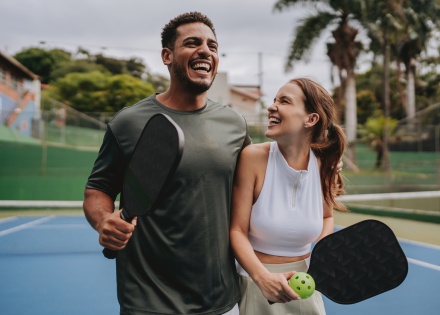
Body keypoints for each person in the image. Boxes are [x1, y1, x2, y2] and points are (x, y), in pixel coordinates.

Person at [83, 12, 251, 315]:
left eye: (213, 46)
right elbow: (98, 189)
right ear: (167, 56)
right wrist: (103, 221)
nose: (206, 51)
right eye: (192, 43)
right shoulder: (128, 122)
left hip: (221, 301)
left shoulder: (235, 124)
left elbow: (257, 181)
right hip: (149, 302)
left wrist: (318, 163)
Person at [229, 78, 347, 315]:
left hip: (306, 286)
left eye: (284, 101)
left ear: (310, 119)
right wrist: (263, 278)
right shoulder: (252, 157)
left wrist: (321, 255)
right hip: (254, 284)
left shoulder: (325, 166)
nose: (272, 106)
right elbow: (236, 231)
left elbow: (326, 217)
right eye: (274, 100)